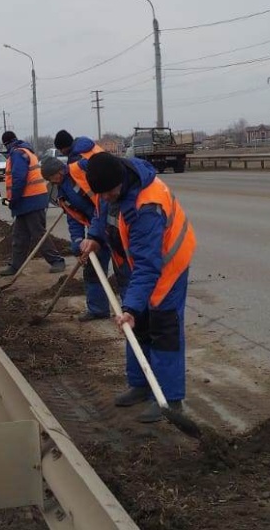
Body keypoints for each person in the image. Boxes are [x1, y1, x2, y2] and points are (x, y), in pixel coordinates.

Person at [82, 152, 196, 424]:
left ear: (120, 182)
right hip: (133, 265)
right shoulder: (106, 188)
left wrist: (131, 307)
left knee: (162, 328)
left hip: (165, 267)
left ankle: (169, 399)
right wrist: (95, 238)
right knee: (136, 325)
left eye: (110, 193)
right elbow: (101, 215)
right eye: (102, 194)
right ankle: (140, 384)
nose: (106, 198)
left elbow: (148, 264)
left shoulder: (148, 205)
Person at [41, 156, 126, 322]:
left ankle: (130, 312)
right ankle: (98, 309)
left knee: (123, 269)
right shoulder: (61, 192)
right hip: (96, 227)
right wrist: (78, 241)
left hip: (113, 222)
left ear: (59, 171)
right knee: (92, 268)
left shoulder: (81, 168)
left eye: (51, 178)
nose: (52, 182)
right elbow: (74, 218)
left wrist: (95, 231)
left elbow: (103, 202)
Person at [0, 131, 65, 277]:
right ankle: (15, 266)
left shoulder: (17, 154)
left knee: (38, 233)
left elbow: (19, 178)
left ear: (6, 144)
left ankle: (57, 261)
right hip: (27, 200)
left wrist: (13, 200)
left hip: (31, 199)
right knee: (19, 235)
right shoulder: (25, 151)